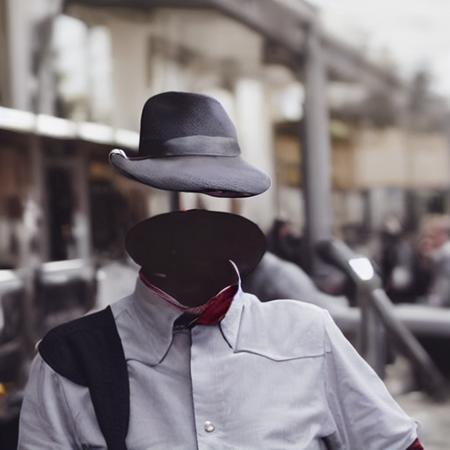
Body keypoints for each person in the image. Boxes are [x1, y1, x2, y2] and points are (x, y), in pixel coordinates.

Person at [18, 92, 423, 449]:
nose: (196, 218)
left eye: (219, 193)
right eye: (176, 195)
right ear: (137, 208)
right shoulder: (70, 359)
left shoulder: (306, 335)